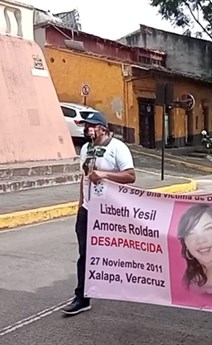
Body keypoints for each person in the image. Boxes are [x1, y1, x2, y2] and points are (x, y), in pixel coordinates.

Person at [61, 113, 136, 315]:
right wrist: (80, 205)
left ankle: (128, 284)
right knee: (84, 254)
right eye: (86, 126)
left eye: (92, 126)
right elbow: (83, 178)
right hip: (87, 210)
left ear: (103, 128)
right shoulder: (86, 149)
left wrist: (104, 174)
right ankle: (82, 297)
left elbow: (130, 175)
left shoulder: (117, 148)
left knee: (116, 252)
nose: (88, 130)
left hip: (110, 212)